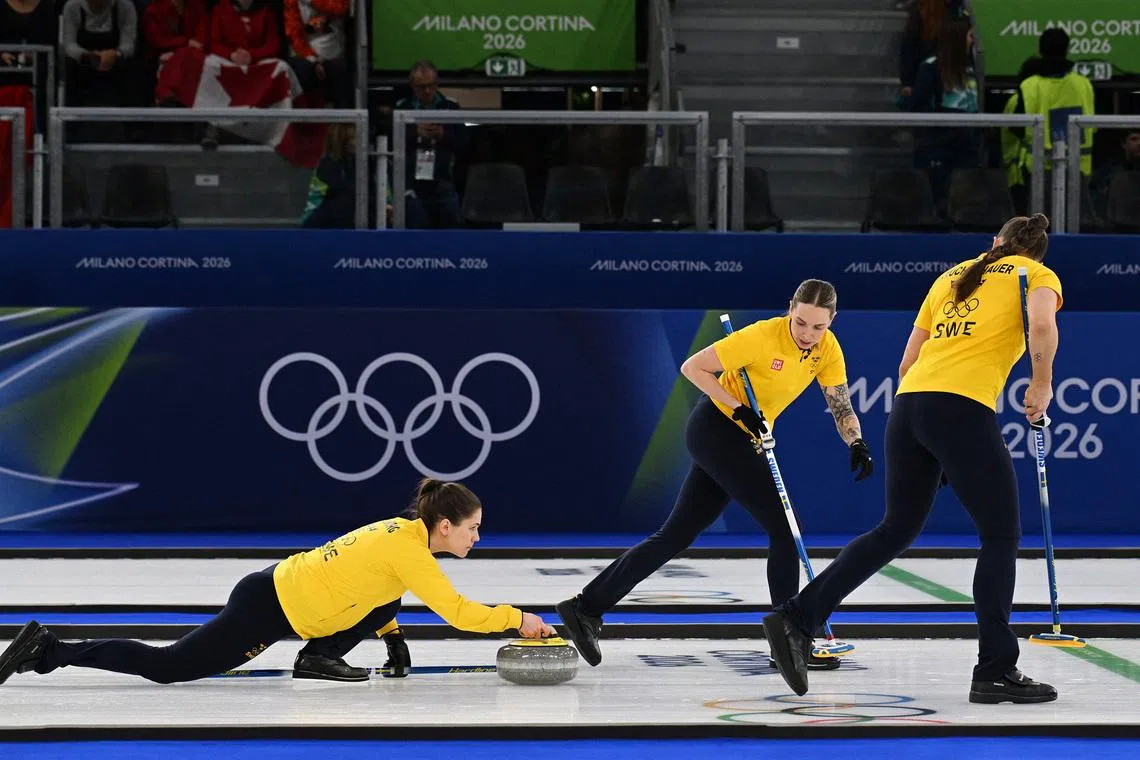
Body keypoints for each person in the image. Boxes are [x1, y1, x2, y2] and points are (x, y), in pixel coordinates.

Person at [765, 215, 1062, 706]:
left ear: (995, 242)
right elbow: (1043, 327)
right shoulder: (1037, 274)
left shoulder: (951, 276)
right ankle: (995, 670)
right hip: (960, 406)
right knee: (1001, 535)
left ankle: (797, 616)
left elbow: (908, 362)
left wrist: (930, 437)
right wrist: (1042, 383)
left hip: (909, 406)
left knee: (896, 528)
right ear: (1034, 252)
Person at [557, 279, 874, 671]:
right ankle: (789, 637)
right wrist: (738, 408)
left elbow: (840, 405)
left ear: (832, 320)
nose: (807, 334)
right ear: (790, 309)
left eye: (818, 326)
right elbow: (693, 367)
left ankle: (585, 608)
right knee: (784, 529)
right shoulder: (760, 337)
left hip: (744, 439)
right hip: (716, 430)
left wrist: (856, 442)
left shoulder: (828, 349)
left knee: (676, 535)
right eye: (801, 323)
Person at [0, 479, 556, 686]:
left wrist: (391, 636)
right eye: (472, 528)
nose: (478, 537)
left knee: (385, 598)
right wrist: (520, 619)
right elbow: (457, 612)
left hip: (277, 589)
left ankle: (318, 656)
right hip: (268, 607)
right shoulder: (412, 553)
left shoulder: (404, 537)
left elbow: (378, 589)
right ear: (444, 525)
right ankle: (49, 650)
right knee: (168, 667)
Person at [393, 60, 465, 229]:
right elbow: (390, 144)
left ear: (437, 83)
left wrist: (443, 135)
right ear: (412, 86)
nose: (427, 91)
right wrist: (414, 133)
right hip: (411, 184)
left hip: (443, 182)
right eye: (421, 87)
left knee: (450, 232)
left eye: (431, 85)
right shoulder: (402, 108)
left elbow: (464, 143)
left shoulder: (451, 107)